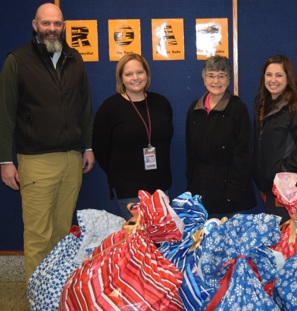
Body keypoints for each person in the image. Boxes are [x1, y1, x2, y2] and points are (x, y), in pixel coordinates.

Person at [0, 3, 94, 282]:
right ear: (35, 25)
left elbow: (85, 107)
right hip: (36, 160)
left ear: (63, 25)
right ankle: (37, 297)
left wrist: (87, 147)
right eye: (46, 23)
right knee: (38, 234)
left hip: (72, 160)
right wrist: (5, 160)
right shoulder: (17, 60)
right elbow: (5, 114)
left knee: (62, 232)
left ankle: (55, 292)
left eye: (57, 23)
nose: (52, 29)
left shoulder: (74, 58)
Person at [93, 53, 173, 220]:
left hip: (160, 188)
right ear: (121, 79)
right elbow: (100, 149)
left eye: (140, 72)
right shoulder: (110, 108)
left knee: (162, 240)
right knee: (138, 241)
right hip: (129, 189)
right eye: (128, 74)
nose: (135, 78)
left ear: (147, 75)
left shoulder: (161, 103)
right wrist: (118, 177)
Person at [186, 56, 256, 218]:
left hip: (230, 195)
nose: (216, 81)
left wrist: (233, 192)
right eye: (211, 75)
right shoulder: (194, 110)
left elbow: (244, 154)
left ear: (229, 80)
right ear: (204, 80)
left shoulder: (238, 109)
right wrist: (192, 191)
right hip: (202, 194)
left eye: (221, 75)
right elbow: (190, 154)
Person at [253, 55, 297, 222]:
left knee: (290, 245)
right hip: (270, 191)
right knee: (276, 244)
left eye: (279, 75)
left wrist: (280, 173)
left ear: (288, 78)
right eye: (269, 75)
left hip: (290, 193)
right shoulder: (262, 105)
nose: (273, 80)